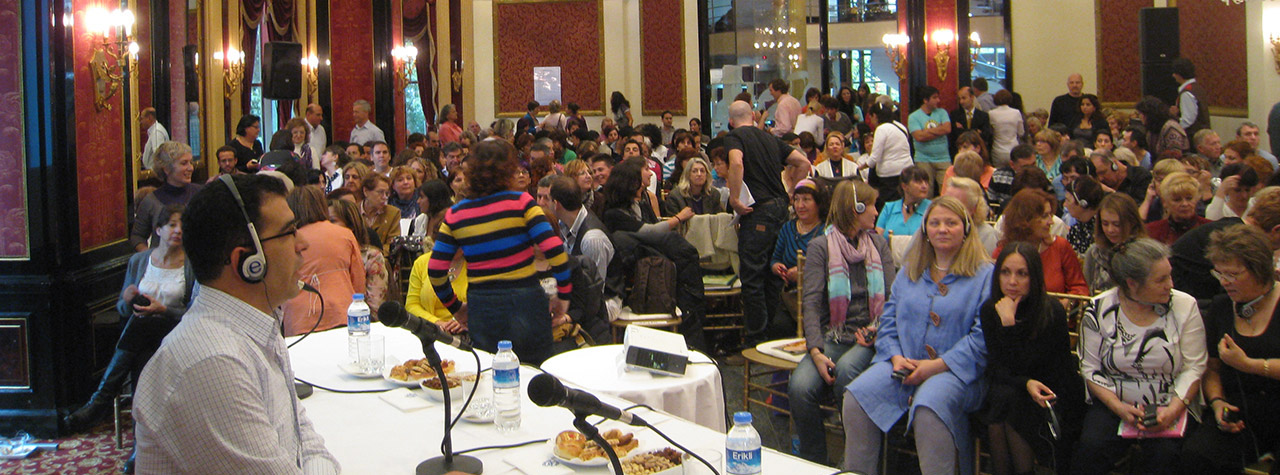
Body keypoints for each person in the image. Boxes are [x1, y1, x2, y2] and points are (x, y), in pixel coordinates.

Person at [133, 174, 340, 474]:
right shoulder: (211, 360)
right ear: (248, 261)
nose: (303, 243)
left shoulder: (257, 326)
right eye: (289, 232)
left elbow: (304, 440)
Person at [841, 196, 994, 475]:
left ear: (966, 229)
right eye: (934, 223)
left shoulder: (986, 275)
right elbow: (888, 321)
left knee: (929, 407)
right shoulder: (910, 270)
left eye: (951, 223)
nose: (942, 229)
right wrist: (895, 357)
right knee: (857, 397)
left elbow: (982, 339)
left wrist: (934, 367)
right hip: (903, 364)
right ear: (925, 230)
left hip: (957, 373)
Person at [428, 140, 571, 365]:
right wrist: (562, 295)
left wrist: (456, 307)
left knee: (491, 370)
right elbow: (555, 250)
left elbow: (435, 269)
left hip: (482, 304)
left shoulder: (456, 214)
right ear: (509, 170)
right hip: (526, 300)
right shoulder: (523, 203)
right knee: (536, 370)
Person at [1073, 237, 1207, 475]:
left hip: (1171, 401)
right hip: (1114, 400)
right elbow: (1090, 368)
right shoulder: (1099, 308)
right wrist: (1118, 408)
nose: (1170, 284)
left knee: (1166, 456)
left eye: (1169, 276)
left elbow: (1194, 368)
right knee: (1091, 448)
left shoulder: (1185, 306)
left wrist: (1171, 412)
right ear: (1132, 284)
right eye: (1161, 279)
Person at [64, 205, 194, 445]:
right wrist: (126, 299)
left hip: (176, 332)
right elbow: (123, 310)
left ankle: (100, 403)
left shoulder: (192, 264)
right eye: (172, 225)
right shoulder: (139, 261)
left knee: (143, 326)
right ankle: (138, 446)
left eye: (182, 226)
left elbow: (195, 313)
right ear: (158, 229)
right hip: (143, 337)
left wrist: (163, 309)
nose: (178, 231)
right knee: (141, 356)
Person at [789, 180, 892, 464]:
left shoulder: (879, 244)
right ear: (854, 208)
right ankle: (814, 462)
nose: (876, 212)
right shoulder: (821, 247)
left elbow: (892, 298)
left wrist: (876, 330)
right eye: (871, 205)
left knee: (846, 371)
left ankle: (855, 459)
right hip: (833, 336)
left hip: (871, 336)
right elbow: (810, 303)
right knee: (799, 387)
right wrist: (815, 351)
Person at [979, 242, 1085, 475]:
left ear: (1034, 277)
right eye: (1005, 272)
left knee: (1008, 403)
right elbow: (998, 368)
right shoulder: (990, 309)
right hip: (1015, 389)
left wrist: (1009, 327)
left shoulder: (1051, 310)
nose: (1012, 281)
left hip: (1050, 392)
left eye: (1022, 274)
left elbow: (1052, 369)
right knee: (1004, 399)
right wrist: (1025, 383)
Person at [1184, 225, 1280, 473]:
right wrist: (1217, 403)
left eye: (1233, 275)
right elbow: (1212, 369)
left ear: (1260, 269)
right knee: (1196, 456)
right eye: (1220, 274)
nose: (1225, 282)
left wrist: (1249, 365)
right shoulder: (1221, 307)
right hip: (1241, 411)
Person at [725, 100, 813, 340]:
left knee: (753, 277)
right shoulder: (770, 139)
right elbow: (804, 162)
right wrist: (793, 192)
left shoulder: (735, 137)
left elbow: (736, 162)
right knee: (774, 275)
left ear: (731, 121)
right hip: (780, 210)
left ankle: (756, 338)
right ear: (753, 116)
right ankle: (771, 335)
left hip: (758, 212)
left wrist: (734, 198)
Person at [600, 157, 707, 349]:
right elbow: (650, 232)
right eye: (645, 169)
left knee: (686, 255)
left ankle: (693, 327)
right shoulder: (614, 213)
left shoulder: (642, 202)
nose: (650, 173)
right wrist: (678, 218)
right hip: (644, 271)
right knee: (684, 255)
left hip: (660, 262)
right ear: (633, 178)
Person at [280, 186, 364, 337]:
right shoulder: (345, 234)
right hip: (341, 312)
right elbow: (358, 281)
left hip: (299, 318)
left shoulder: (287, 241)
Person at [997, 189, 1089, 296]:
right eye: (1045, 216)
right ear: (1026, 219)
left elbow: (1080, 288)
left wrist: (1067, 302)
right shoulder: (1003, 251)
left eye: (1050, 215)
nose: (1051, 222)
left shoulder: (1060, 247)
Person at [131, 142, 201, 252]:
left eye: (190, 162)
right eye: (184, 163)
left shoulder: (201, 194)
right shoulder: (151, 201)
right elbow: (138, 236)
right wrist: (151, 257)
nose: (191, 168)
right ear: (167, 169)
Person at [771, 179, 829, 308]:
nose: (800, 205)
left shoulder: (827, 231)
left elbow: (830, 265)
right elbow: (775, 259)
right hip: (790, 296)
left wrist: (803, 272)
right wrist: (778, 268)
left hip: (819, 295)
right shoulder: (788, 228)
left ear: (819, 203)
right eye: (796, 199)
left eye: (806, 199)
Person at [328, 199, 388, 315]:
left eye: (332, 221)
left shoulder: (371, 257)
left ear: (351, 225)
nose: (326, 227)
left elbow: (375, 307)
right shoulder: (323, 256)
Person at [1082, 193, 1146, 292]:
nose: (1110, 230)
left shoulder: (1145, 255)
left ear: (1132, 222)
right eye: (1105, 224)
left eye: (1117, 224)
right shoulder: (1094, 253)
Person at [859, 101, 913, 206]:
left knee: (889, 204)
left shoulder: (881, 129)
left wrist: (862, 166)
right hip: (907, 170)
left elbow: (874, 158)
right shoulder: (900, 126)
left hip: (889, 175)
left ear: (875, 116)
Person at [909, 86, 954, 193]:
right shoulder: (913, 117)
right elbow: (919, 137)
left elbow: (947, 129)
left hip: (943, 158)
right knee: (925, 191)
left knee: (948, 190)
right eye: (934, 97)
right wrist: (939, 130)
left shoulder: (942, 112)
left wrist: (926, 132)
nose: (938, 100)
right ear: (925, 100)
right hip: (923, 160)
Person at [1146, 172, 1211, 245]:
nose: (1184, 204)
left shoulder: (1211, 229)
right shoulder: (1151, 231)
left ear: (1196, 199)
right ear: (1165, 202)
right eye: (1177, 200)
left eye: (1189, 198)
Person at [944, 177, 999, 253]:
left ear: (973, 209)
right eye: (945, 203)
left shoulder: (986, 235)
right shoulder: (935, 229)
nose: (947, 209)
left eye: (955, 205)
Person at [877, 165, 932, 237]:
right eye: (918, 182)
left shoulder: (932, 208)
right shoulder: (889, 208)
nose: (924, 186)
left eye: (926, 182)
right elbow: (878, 237)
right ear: (904, 186)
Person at [359, 174, 402, 254]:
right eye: (380, 192)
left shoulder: (393, 213)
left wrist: (375, 254)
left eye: (387, 193)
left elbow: (392, 244)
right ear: (366, 191)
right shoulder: (353, 211)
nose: (384, 197)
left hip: (382, 257)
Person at [1064, 175, 1105, 254]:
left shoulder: (1102, 230)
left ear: (1083, 203)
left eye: (1068, 200)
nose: (1065, 204)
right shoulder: (1076, 229)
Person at [949, 86, 993, 157]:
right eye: (959, 99)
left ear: (972, 97)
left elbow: (985, 136)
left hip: (978, 154)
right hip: (960, 154)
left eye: (964, 98)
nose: (961, 102)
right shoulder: (955, 115)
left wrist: (963, 130)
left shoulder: (983, 116)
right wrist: (976, 131)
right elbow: (954, 135)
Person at [988, 90, 1024, 167]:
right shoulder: (1016, 112)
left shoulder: (991, 113)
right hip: (1013, 149)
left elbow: (990, 132)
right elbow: (1021, 132)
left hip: (998, 150)